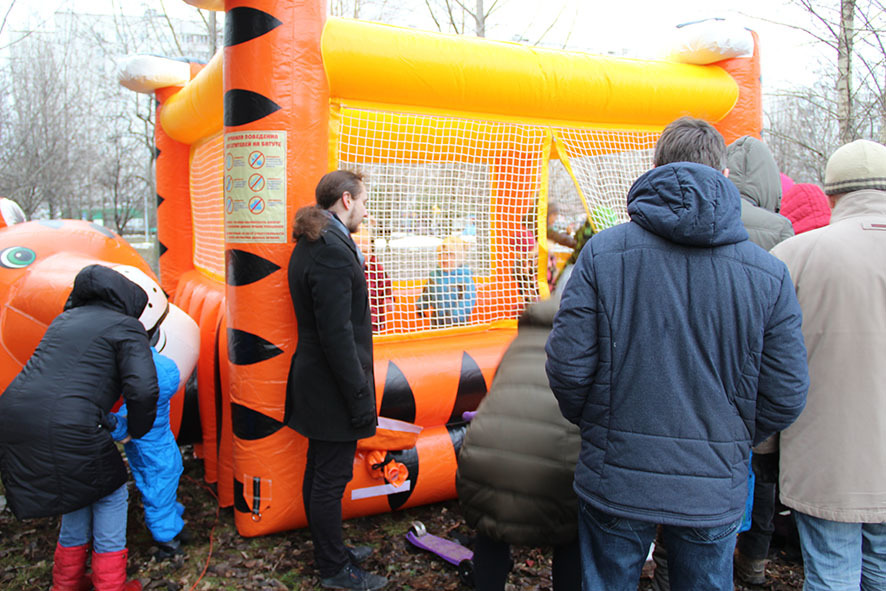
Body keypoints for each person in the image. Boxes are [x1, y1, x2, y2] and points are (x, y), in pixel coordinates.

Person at [545, 116, 809, 591]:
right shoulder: (768, 274)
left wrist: (600, 421)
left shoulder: (603, 255)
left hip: (617, 473)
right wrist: (736, 432)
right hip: (711, 480)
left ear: (655, 167)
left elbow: (568, 366)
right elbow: (785, 391)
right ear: (725, 176)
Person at [0, 264, 164, 591]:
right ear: (130, 300)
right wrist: (137, 429)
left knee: (76, 491)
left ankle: (66, 583)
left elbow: (66, 380)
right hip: (66, 424)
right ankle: (110, 584)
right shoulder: (126, 326)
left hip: (14, 414)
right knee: (111, 493)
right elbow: (144, 389)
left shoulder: (63, 321)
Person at [770, 139, 886, 591]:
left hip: (824, 456)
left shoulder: (793, 257)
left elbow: (771, 366)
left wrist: (764, 447)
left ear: (831, 193)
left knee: (832, 574)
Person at [286, 170, 387, 591]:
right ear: (346, 200)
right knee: (329, 478)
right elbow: (336, 333)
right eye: (363, 201)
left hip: (319, 380)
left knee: (320, 471)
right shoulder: (330, 248)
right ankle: (333, 570)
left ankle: (332, 551)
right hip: (331, 385)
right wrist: (358, 393)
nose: (365, 210)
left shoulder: (319, 240)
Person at [456, 295, 581, 591]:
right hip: (551, 469)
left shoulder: (518, 343)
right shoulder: (584, 342)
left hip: (483, 460)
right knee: (573, 534)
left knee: (492, 530)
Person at [725, 135, 797, 585]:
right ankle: (752, 562)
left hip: (710, 377)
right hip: (758, 380)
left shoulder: (708, 215)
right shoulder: (781, 230)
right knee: (763, 473)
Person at [111, 348, 188, 560]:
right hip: (167, 453)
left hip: (151, 460)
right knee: (166, 493)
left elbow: (125, 428)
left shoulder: (138, 410)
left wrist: (108, 421)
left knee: (157, 498)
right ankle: (176, 525)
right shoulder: (161, 396)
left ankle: (168, 541)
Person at [416, 235, 477, 327]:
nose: (443, 258)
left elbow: (468, 299)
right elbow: (427, 292)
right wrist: (421, 305)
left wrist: (457, 315)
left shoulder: (464, 277)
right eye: (440, 254)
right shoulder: (435, 276)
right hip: (437, 319)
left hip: (458, 322)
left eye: (449, 254)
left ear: (459, 257)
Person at [352, 226, 394, 333]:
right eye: (357, 251)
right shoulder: (348, 267)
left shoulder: (375, 267)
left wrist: (388, 298)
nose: (361, 256)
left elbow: (385, 282)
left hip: (374, 316)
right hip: (354, 317)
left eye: (366, 251)